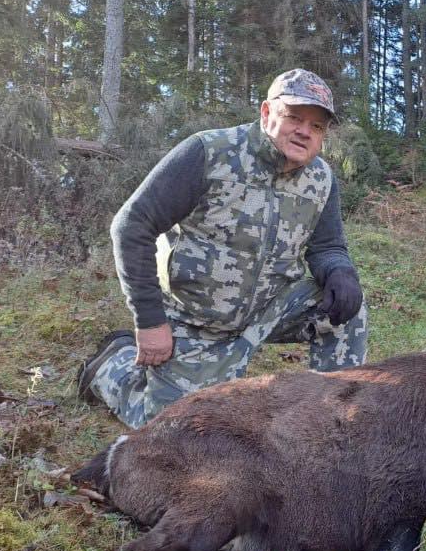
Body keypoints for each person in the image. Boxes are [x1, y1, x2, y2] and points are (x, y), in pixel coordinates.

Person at [76, 69, 367, 428]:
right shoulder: (209, 152)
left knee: (347, 304)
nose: (305, 131)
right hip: (197, 319)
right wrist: (150, 321)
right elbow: (131, 225)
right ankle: (111, 367)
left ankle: (327, 418)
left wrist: (339, 270)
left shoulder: (321, 179)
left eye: (317, 126)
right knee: (173, 433)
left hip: (270, 310)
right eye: (294, 117)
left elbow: (328, 246)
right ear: (266, 112)